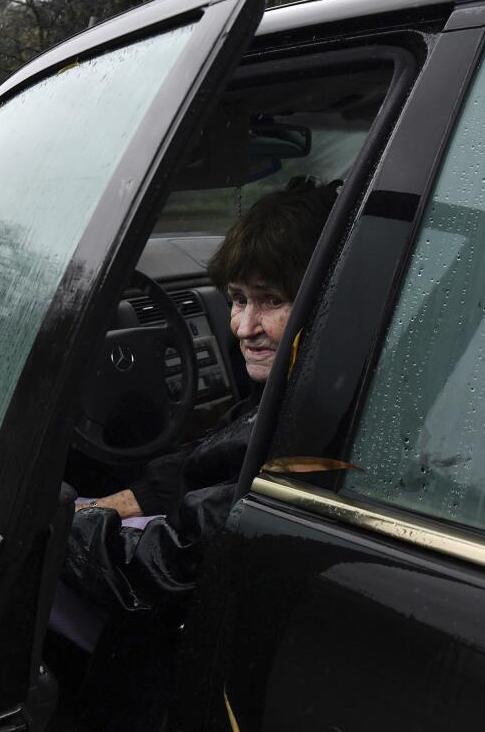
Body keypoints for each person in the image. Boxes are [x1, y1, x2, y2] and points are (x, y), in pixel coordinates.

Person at [55, 178, 336, 730]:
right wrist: (121, 502)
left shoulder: (306, 435)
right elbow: (207, 460)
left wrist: (60, 524)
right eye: (236, 300)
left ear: (325, 299)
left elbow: (169, 565)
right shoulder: (295, 394)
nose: (242, 328)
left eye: (271, 301)